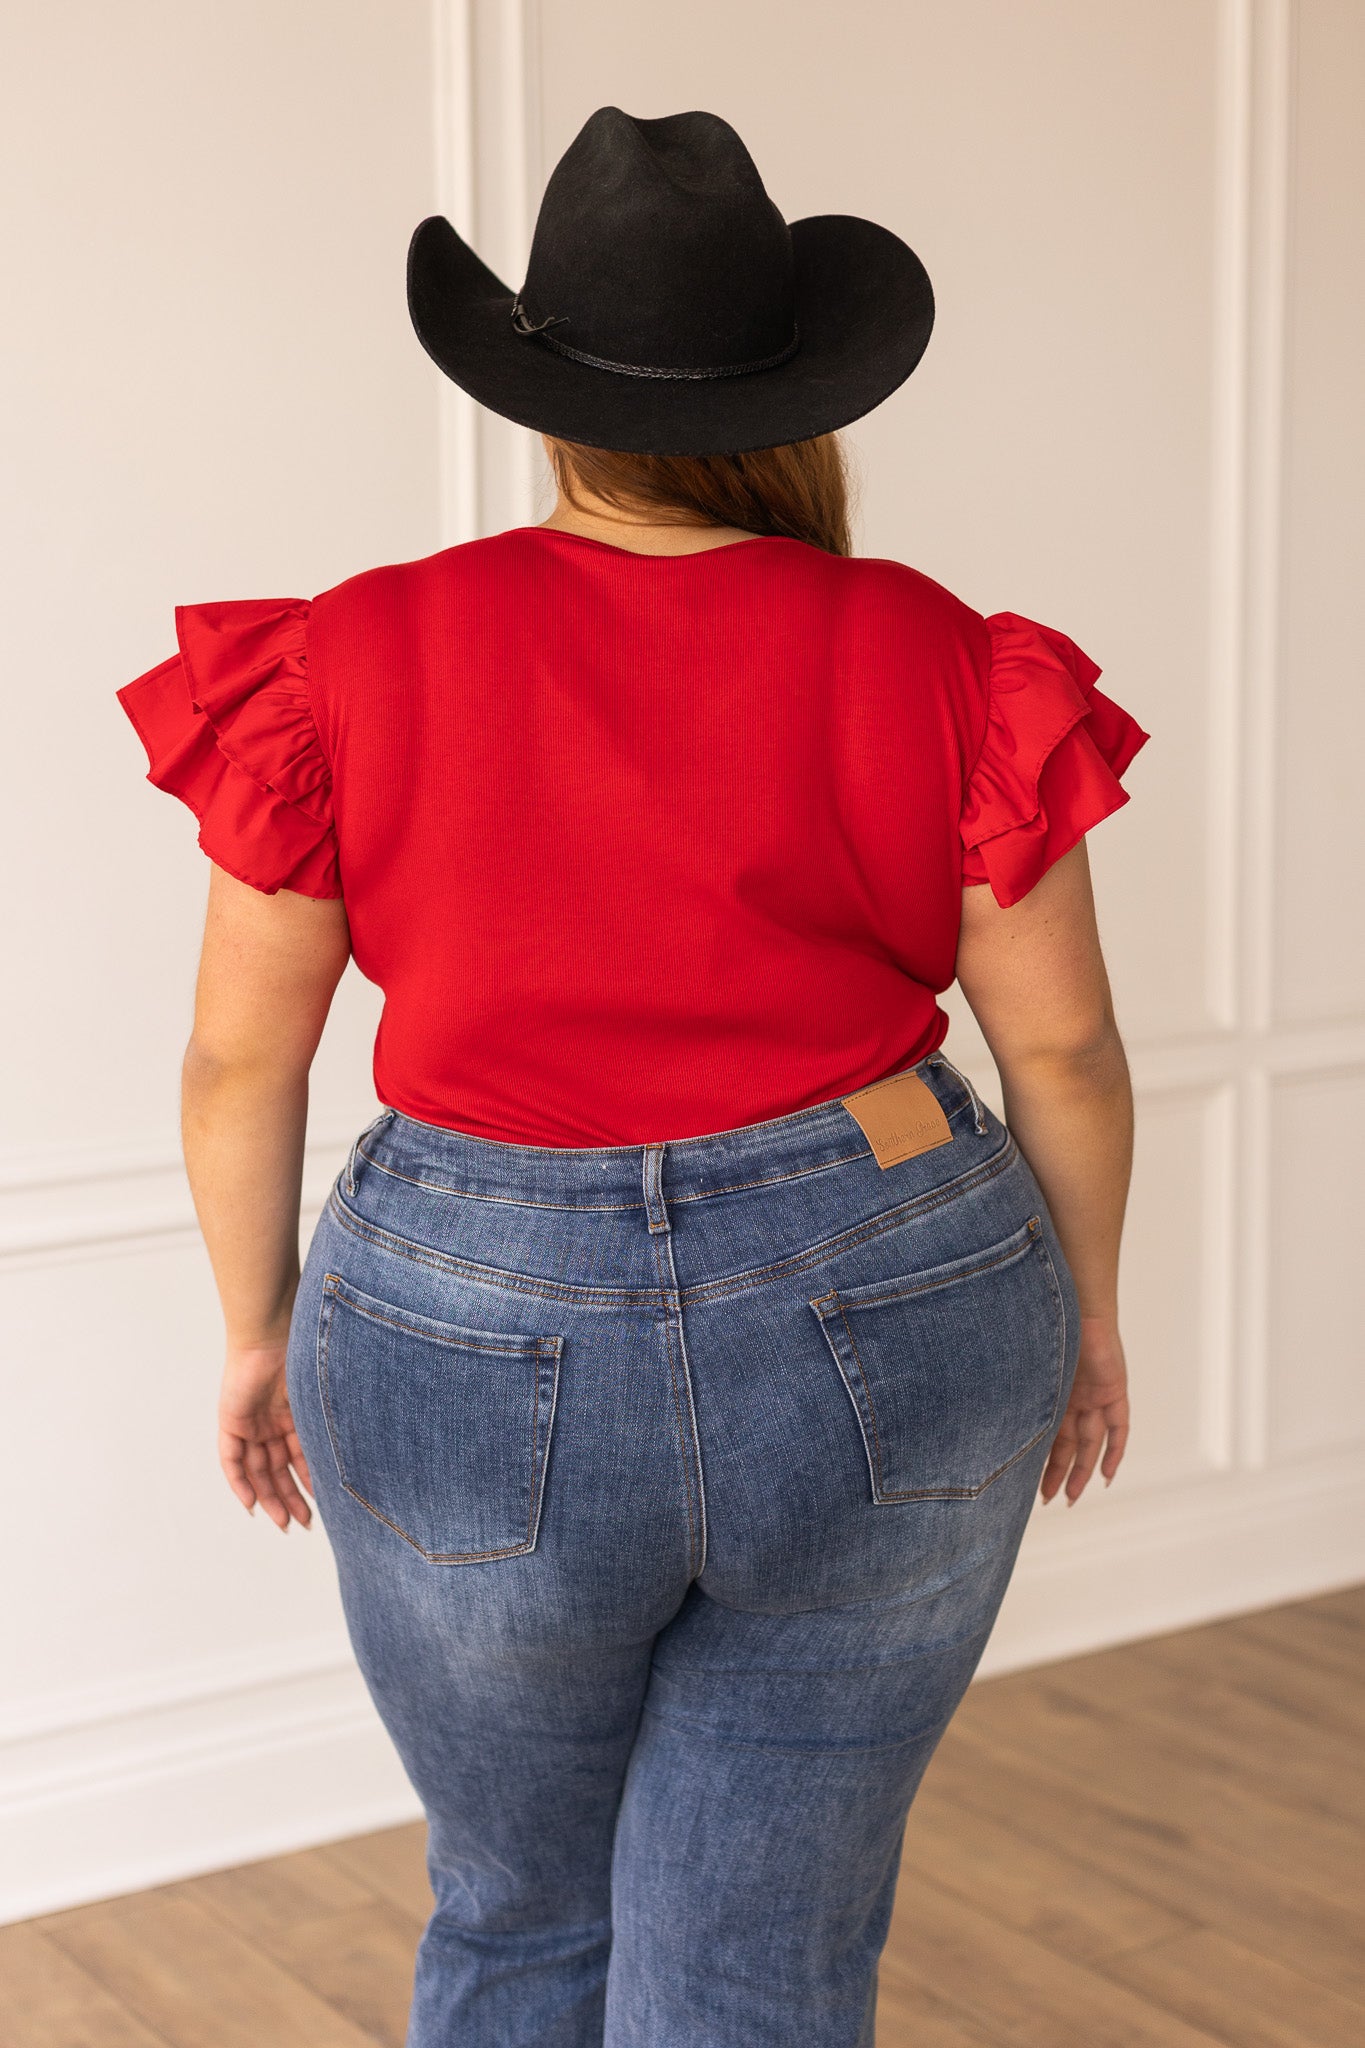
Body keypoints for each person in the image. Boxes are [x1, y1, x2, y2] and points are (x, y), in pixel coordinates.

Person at [116, 105, 1148, 2048]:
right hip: (900, 1273)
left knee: (517, 1909)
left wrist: (255, 1325)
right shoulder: (942, 656)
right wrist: (1083, 1310)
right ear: (800, 399)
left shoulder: (345, 657)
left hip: (462, 1320)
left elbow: (238, 1051)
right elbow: (1064, 1051)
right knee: (757, 1941)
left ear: (546, 399)